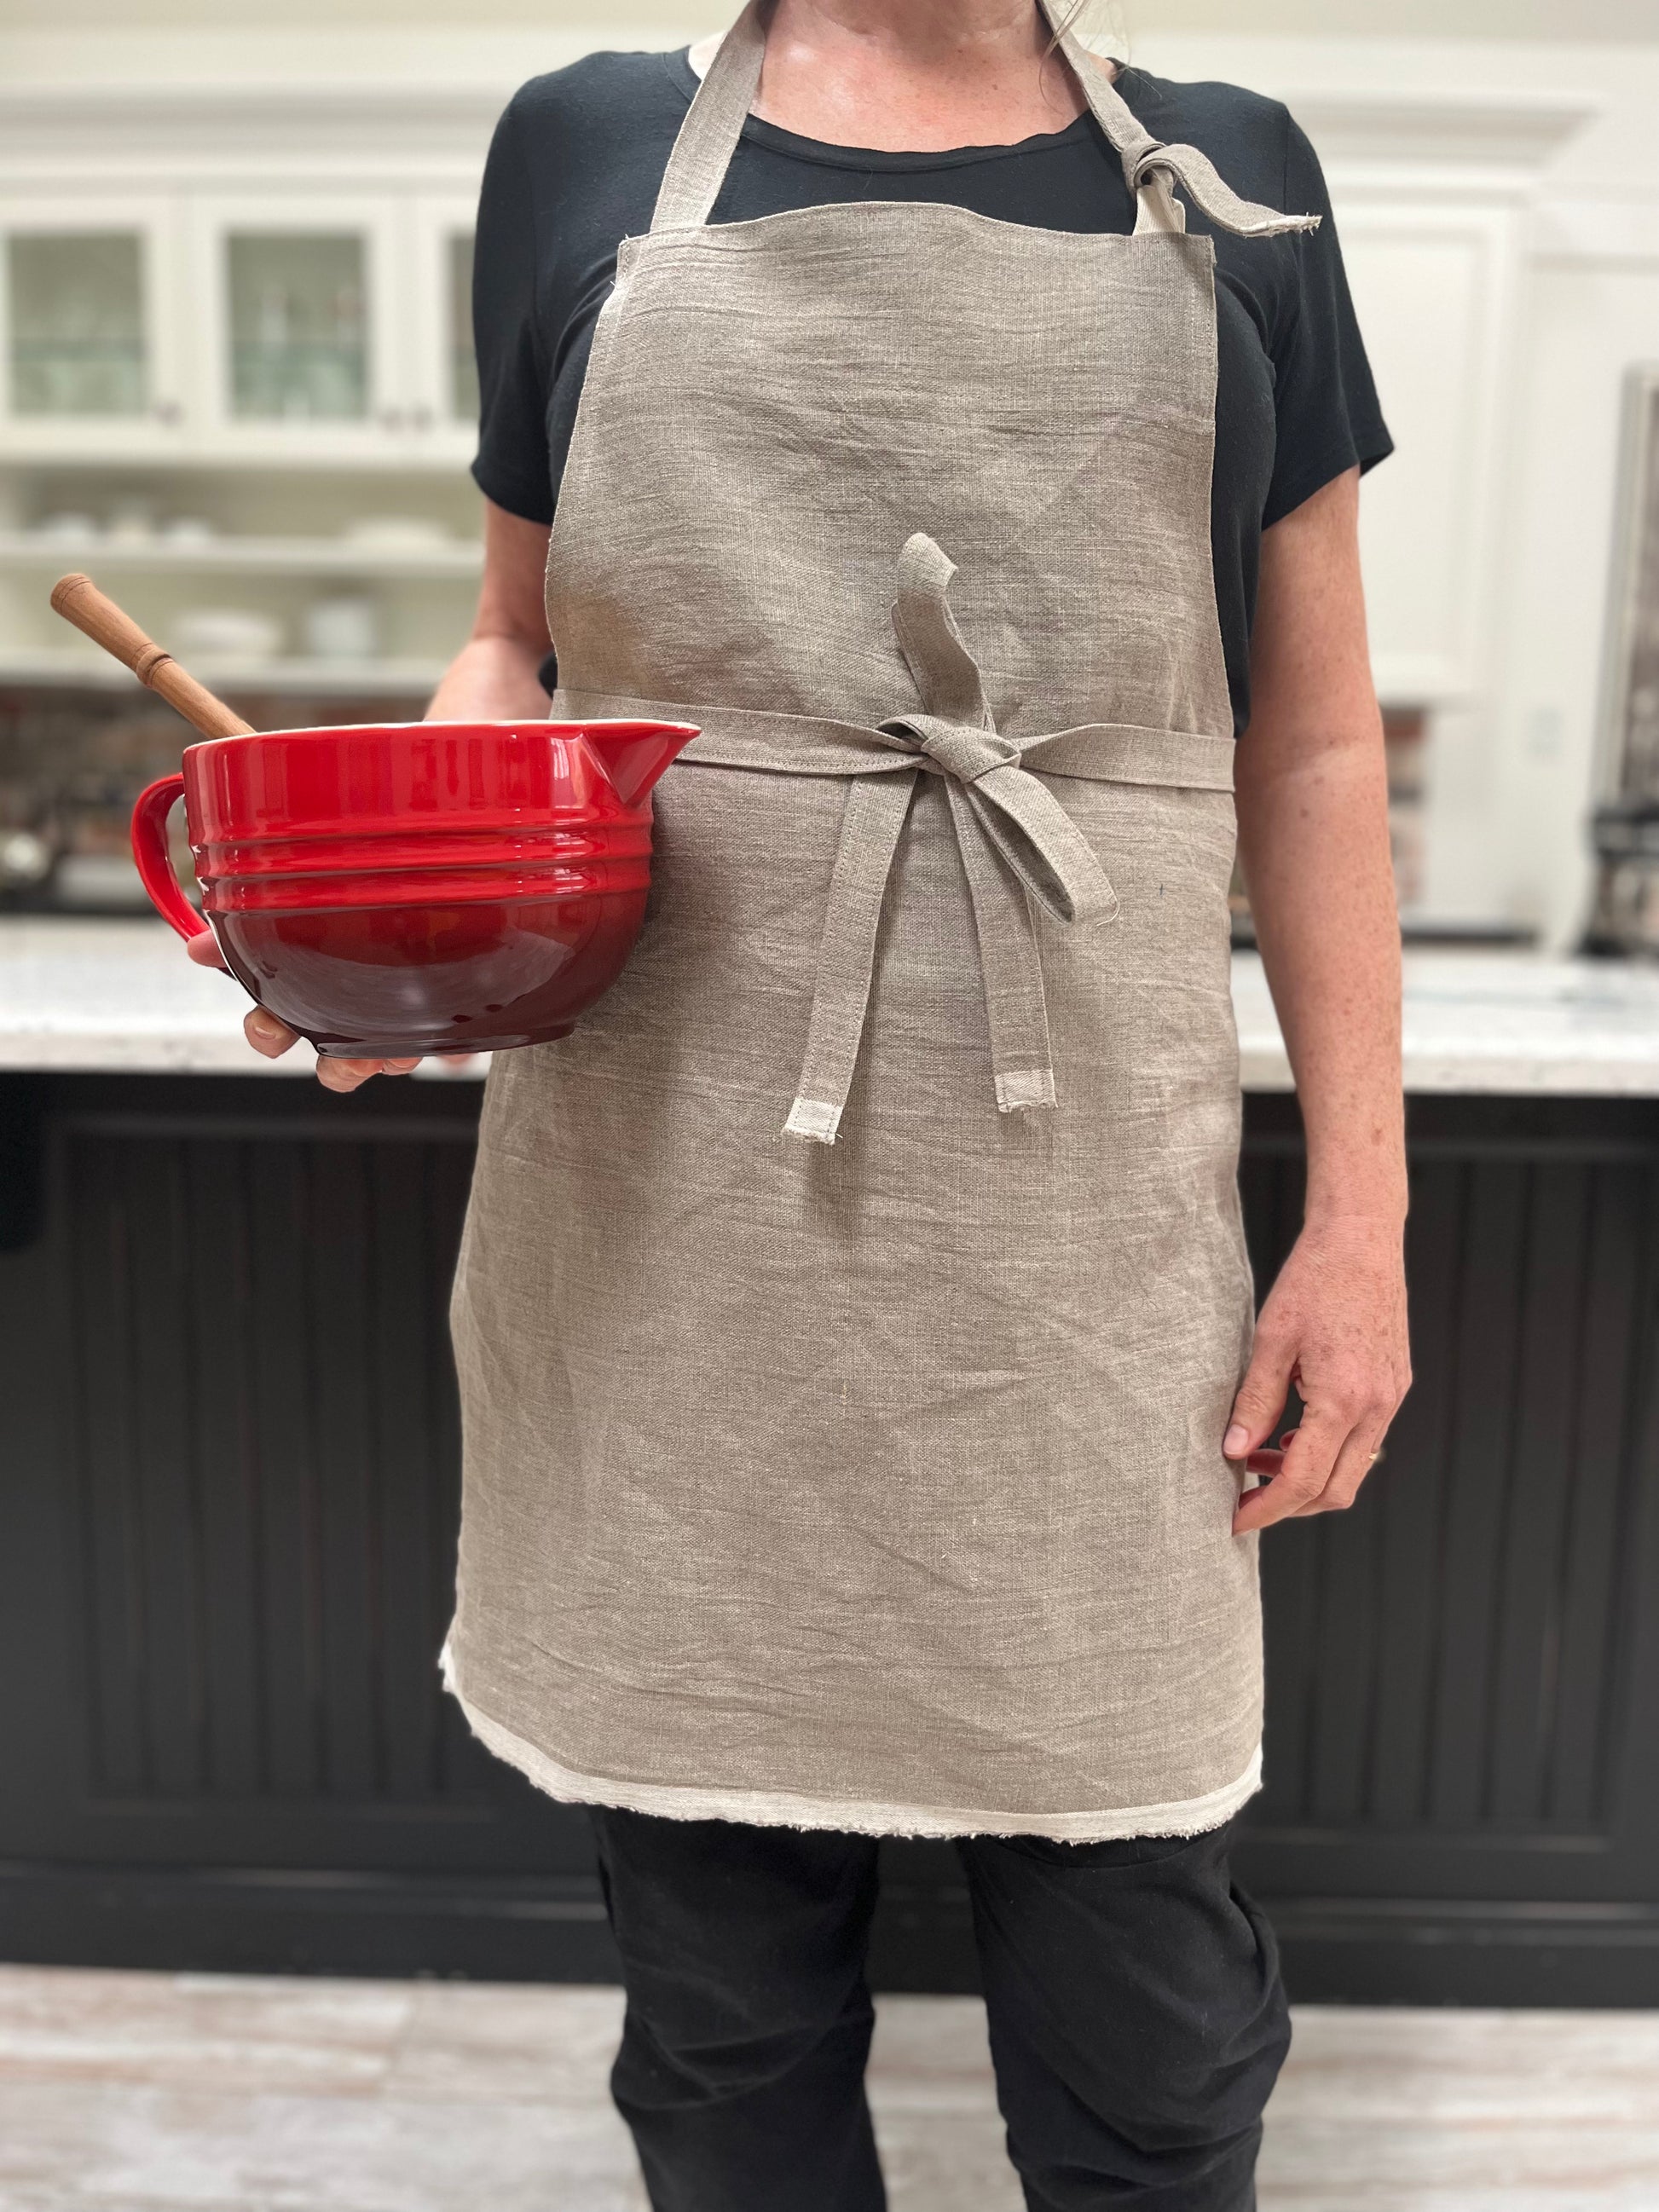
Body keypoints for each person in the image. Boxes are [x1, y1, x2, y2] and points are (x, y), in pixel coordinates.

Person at [207, 2, 1412, 2203]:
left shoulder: (1236, 178)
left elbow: (1315, 742)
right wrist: (404, 911)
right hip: (664, 1234)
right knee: (724, 2022)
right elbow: (515, 640)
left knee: (1148, 2043)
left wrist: (1361, 1228)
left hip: (1080, 1269)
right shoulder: (585, 147)